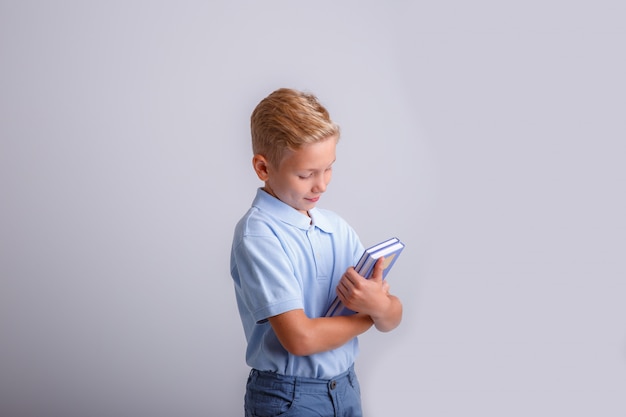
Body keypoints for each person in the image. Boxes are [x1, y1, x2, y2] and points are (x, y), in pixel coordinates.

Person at [230, 88, 403, 417]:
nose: (321, 185)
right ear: (263, 168)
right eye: (306, 174)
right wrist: (368, 318)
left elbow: (393, 318)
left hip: (346, 386)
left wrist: (381, 306)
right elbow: (301, 339)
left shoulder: (336, 227)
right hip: (288, 397)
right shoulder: (258, 235)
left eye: (328, 168)